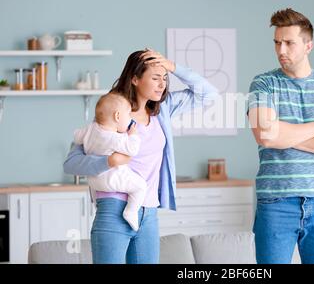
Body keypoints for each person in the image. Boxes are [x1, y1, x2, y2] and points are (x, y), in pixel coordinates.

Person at [64, 49, 219, 264]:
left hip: (148, 213)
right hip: (113, 209)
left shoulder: (163, 110)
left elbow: (209, 94)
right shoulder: (113, 113)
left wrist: (173, 67)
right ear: (135, 79)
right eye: (155, 78)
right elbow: (71, 164)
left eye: (164, 78)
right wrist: (108, 161)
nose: (162, 84)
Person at [247, 8, 314, 264]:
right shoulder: (262, 84)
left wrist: (285, 134)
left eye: (289, 43)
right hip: (276, 202)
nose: (281, 50)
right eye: (277, 42)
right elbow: (265, 135)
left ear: (309, 45)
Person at [73, 92, 145, 232]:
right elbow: (133, 149)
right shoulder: (114, 138)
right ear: (117, 116)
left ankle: (96, 204)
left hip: (94, 183)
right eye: (128, 114)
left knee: (97, 195)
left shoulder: (90, 129)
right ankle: (131, 211)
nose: (130, 118)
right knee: (140, 186)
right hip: (112, 180)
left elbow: (76, 136)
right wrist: (133, 135)